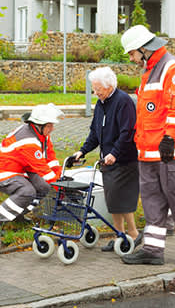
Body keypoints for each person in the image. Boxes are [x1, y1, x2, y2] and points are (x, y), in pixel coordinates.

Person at [119, 25, 175, 265]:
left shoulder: (171, 67)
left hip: (169, 149)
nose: (132, 58)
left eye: (132, 53)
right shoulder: (150, 70)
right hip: (149, 150)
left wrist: (169, 138)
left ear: (144, 49)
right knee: (152, 198)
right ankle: (153, 251)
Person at [71, 67, 142, 252]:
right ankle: (120, 235)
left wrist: (115, 153)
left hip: (125, 159)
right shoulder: (101, 103)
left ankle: (133, 234)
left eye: (97, 89)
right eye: (94, 89)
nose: (95, 92)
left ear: (109, 86)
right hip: (107, 160)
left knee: (122, 198)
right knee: (113, 200)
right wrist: (82, 151)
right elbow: (95, 132)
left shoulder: (123, 101)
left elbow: (127, 132)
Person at [0, 104, 64, 231]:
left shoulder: (43, 135)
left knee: (44, 187)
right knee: (27, 191)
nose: (52, 128)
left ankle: (16, 215)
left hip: (20, 168)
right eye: (49, 125)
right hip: (1, 170)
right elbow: (43, 170)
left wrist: (59, 175)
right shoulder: (28, 141)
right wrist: (59, 185)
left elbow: (50, 159)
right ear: (39, 125)